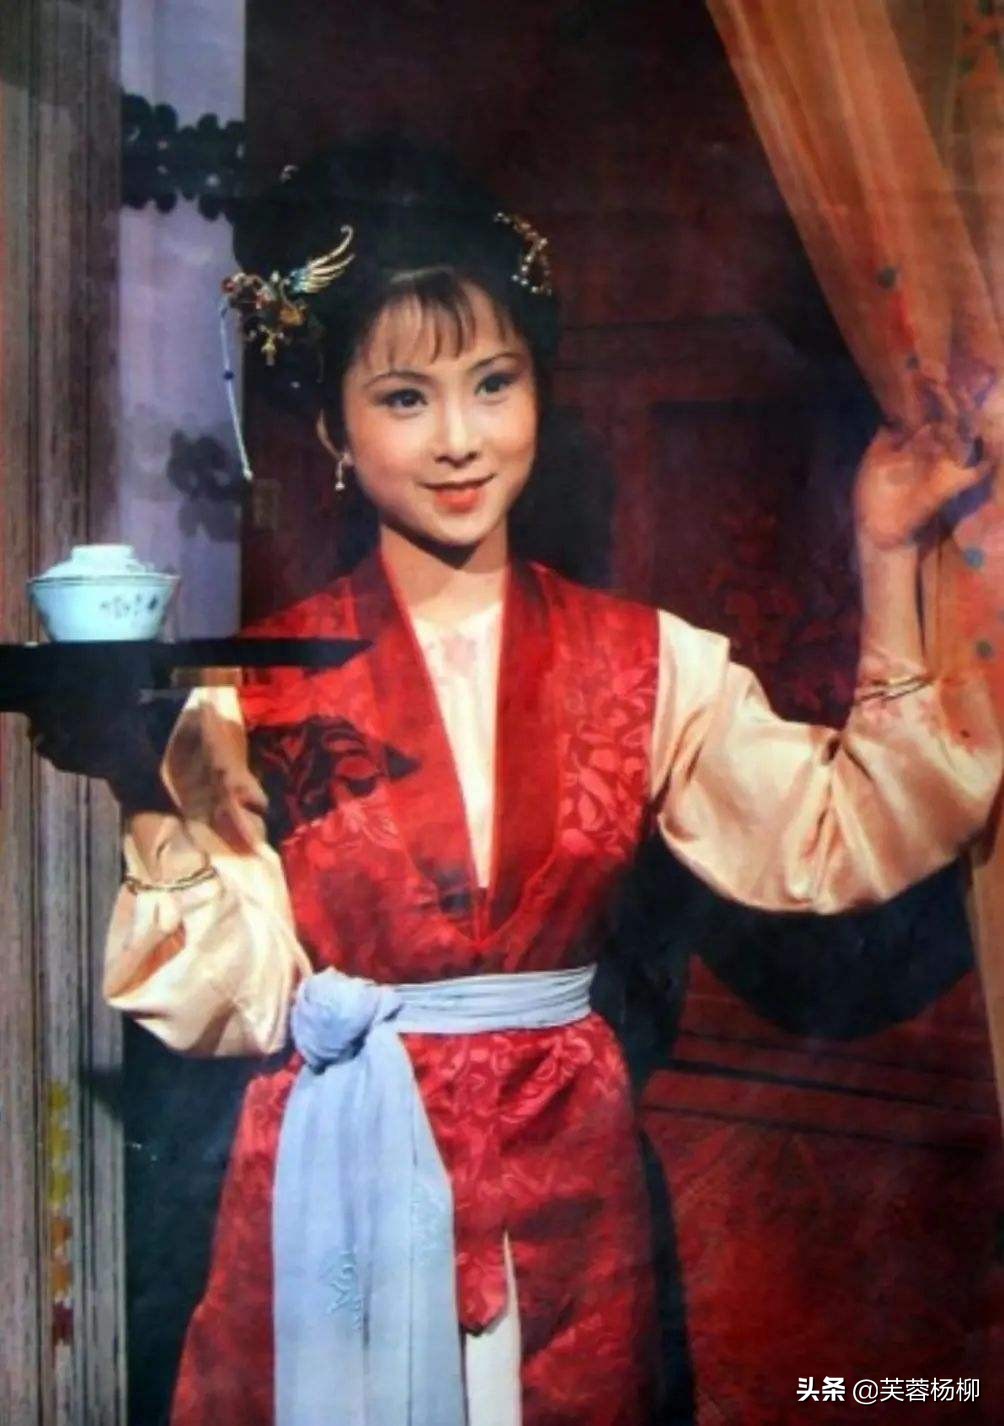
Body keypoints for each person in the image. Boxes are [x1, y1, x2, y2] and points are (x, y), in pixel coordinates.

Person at [37, 137, 1002, 1426]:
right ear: (331, 428)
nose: (460, 441)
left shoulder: (649, 662)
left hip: (567, 1194)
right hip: (337, 1179)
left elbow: (843, 831)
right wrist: (145, 791)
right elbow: (233, 997)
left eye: (494, 384)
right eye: (404, 398)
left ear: (540, 390)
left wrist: (887, 557)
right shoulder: (250, 689)